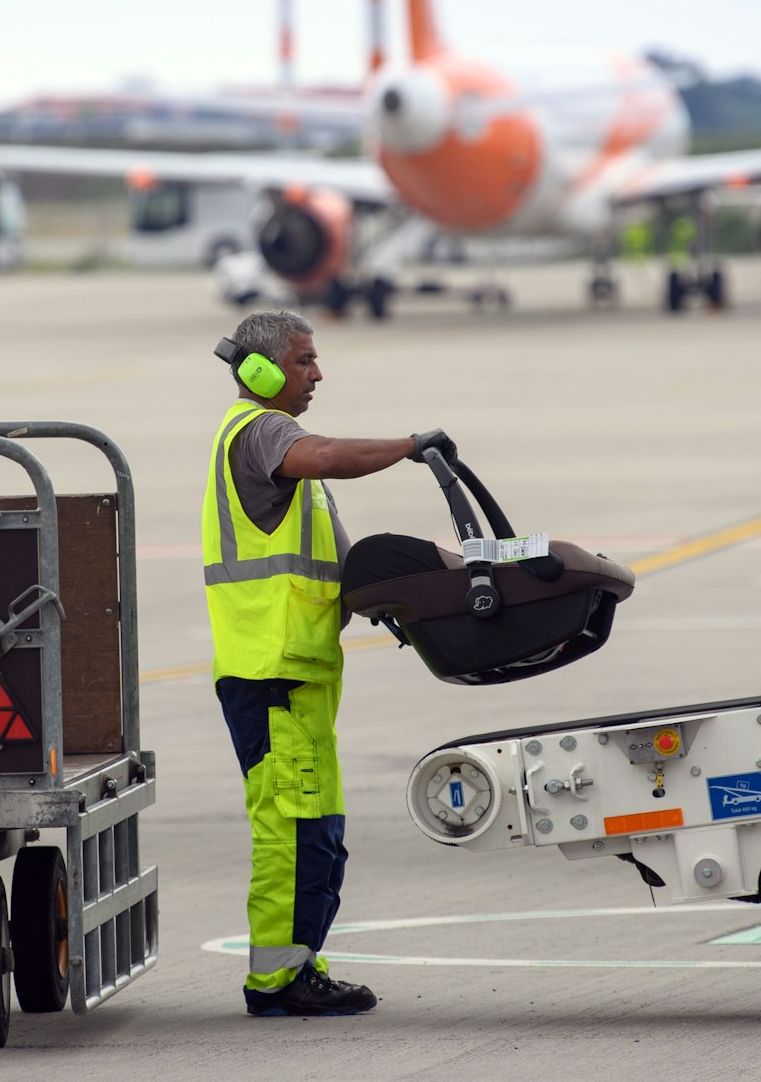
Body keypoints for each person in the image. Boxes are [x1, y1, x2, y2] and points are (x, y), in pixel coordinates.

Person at [202, 308, 455, 1017]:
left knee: (318, 834)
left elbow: (338, 567)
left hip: (299, 676)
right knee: (291, 833)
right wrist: (408, 445)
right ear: (260, 370)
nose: (317, 373)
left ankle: (298, 966)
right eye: (304, 360)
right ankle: (277, 982)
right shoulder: (262, 432)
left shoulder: (280, 453)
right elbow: (326, 454)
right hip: (271, 674)